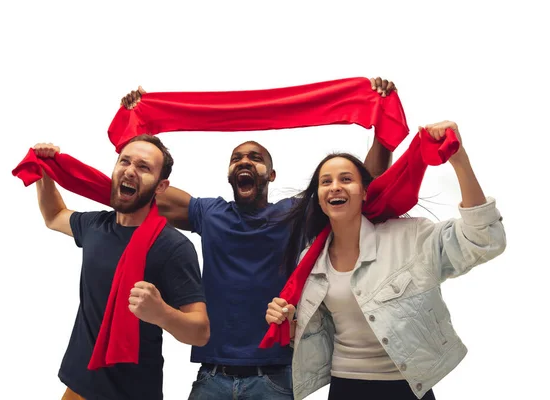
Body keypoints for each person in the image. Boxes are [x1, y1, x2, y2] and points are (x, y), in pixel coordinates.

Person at [119, 77, 397, 399]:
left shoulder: (293, 215)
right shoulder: (209, 213)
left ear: (271, 175)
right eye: (237, 158)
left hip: (275, 378)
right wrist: (137, 127)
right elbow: (142, 189)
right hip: (212, 375)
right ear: (229, 174)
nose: (245, 162)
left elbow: (364, 188)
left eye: (255, 158)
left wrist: (382, 122)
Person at [265, 120, 506, 399]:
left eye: (346, 179)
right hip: (346, 386)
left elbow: (485, 241)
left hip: (406, 387)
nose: (335, 187)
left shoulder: (410, 237)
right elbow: (318, 332)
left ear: (365, 191)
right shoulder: (311, 260)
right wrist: (289, 321)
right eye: (326, 182)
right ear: (318, 198)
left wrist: (459, 160)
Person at [33, 135, 209, 400]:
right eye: (124, 161)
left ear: (161, 186)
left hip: (132, 393)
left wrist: (161, 313)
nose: (129, 170)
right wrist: (44, 172)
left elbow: (200, 331)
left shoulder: (173, 247)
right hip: (78, 385)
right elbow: (55, 215)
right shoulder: (95, 226)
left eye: (143, 167)